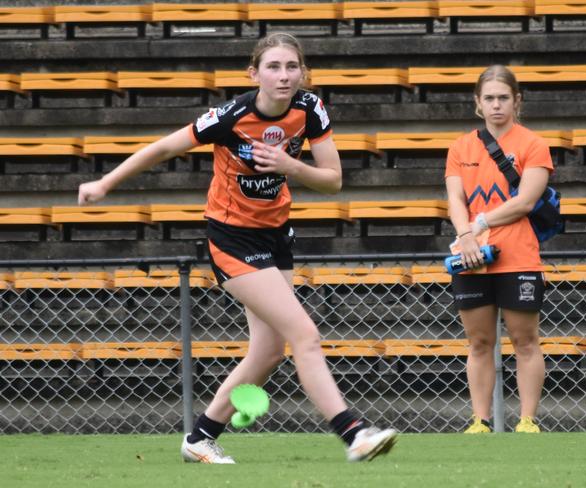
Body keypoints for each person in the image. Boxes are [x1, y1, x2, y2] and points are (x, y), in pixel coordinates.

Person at [78, 32, 397, 462]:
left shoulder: (310, 108)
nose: (284, 76)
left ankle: (199, 439)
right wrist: (105, 183)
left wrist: (288, 165)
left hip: (276, 234)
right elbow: (165, 146)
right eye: (273, 67)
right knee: (304, 333)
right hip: (232, 237)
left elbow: (334, 180)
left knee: (268, 352)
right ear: (254, 73)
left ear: (303, 72)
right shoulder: (230, 116)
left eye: (291, 67)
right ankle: (353, 434)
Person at [444, 65, 552, 434]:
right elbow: (455, 199)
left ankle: (527, 420)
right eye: (488, 98)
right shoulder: (461, 147)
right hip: (471, 256)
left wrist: (481, 225)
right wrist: (467, 235)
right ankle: (480, 420)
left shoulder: (533, 144)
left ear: (517, 101)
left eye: (503, 97)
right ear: (477, 103)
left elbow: (525, 202)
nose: (496, 105)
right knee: (479, 342)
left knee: (525, 339)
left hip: (519, 254)